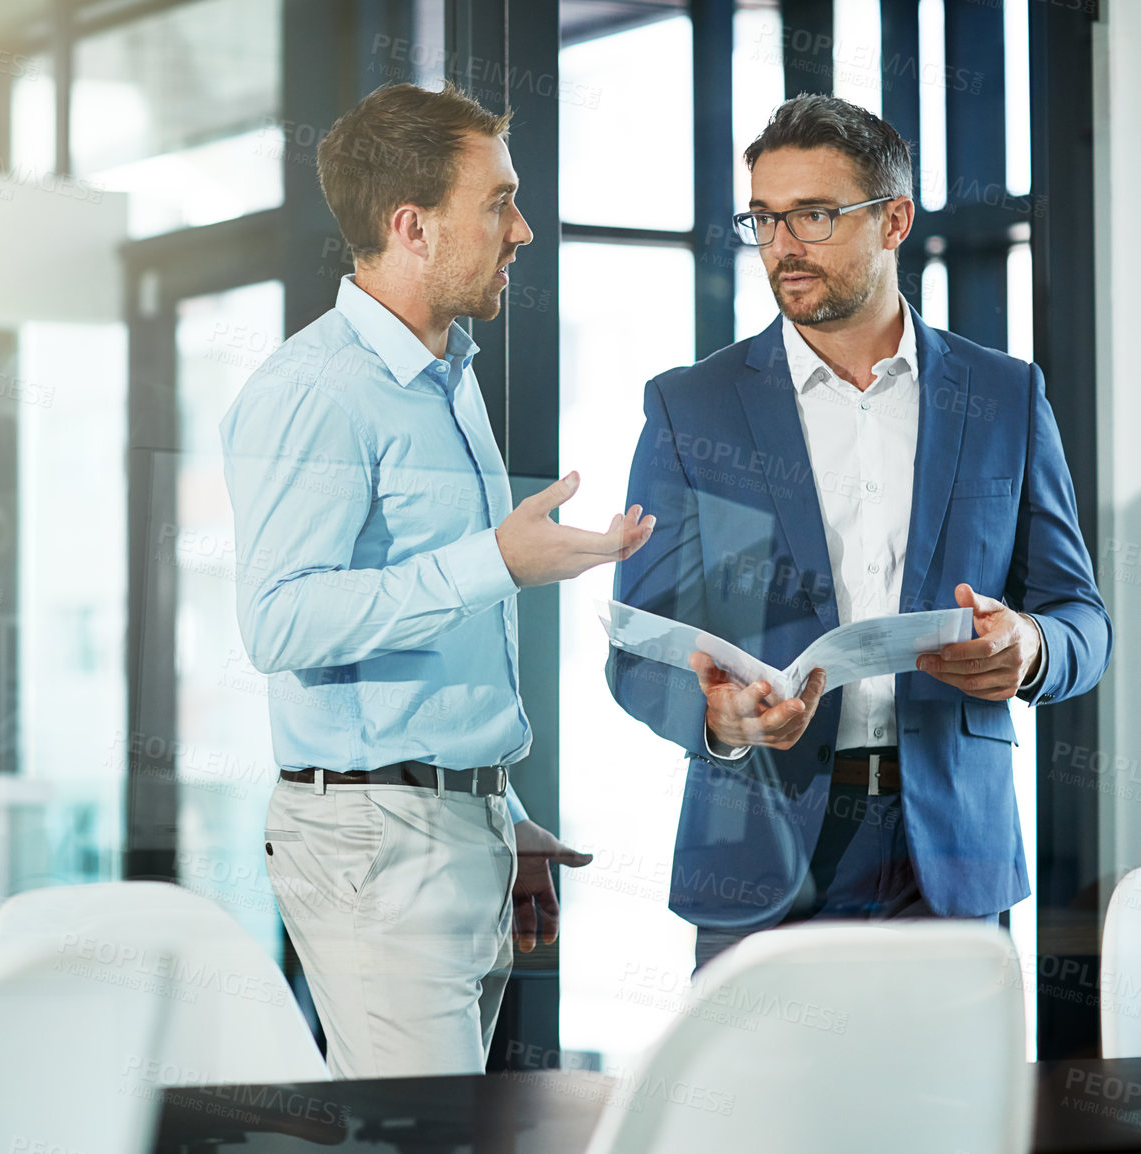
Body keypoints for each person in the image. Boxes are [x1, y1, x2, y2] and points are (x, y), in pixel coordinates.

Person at [606, 94, 1111, 970]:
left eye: (813, 215)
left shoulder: (1004, 398)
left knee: (948, 1111)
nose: (783, 248)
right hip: (759, 857)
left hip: (951, 859)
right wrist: (718, 716)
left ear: (895, 220)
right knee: (761, 1112)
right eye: (763, 219)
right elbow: (637, 647)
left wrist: (1028, 646)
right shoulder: (691, 407)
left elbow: (1082, 621)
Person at [220, 82, 654, 1078]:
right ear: (410, 226)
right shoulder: (312, 391)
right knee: (428, 1133)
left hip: (459, 829)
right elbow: (278, 622)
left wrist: (495, 812)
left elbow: (439, 649)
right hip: (376, 842)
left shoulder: (447, 376)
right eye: (497, 201)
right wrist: (492, 561)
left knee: (440, 1124)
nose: (524, 229)